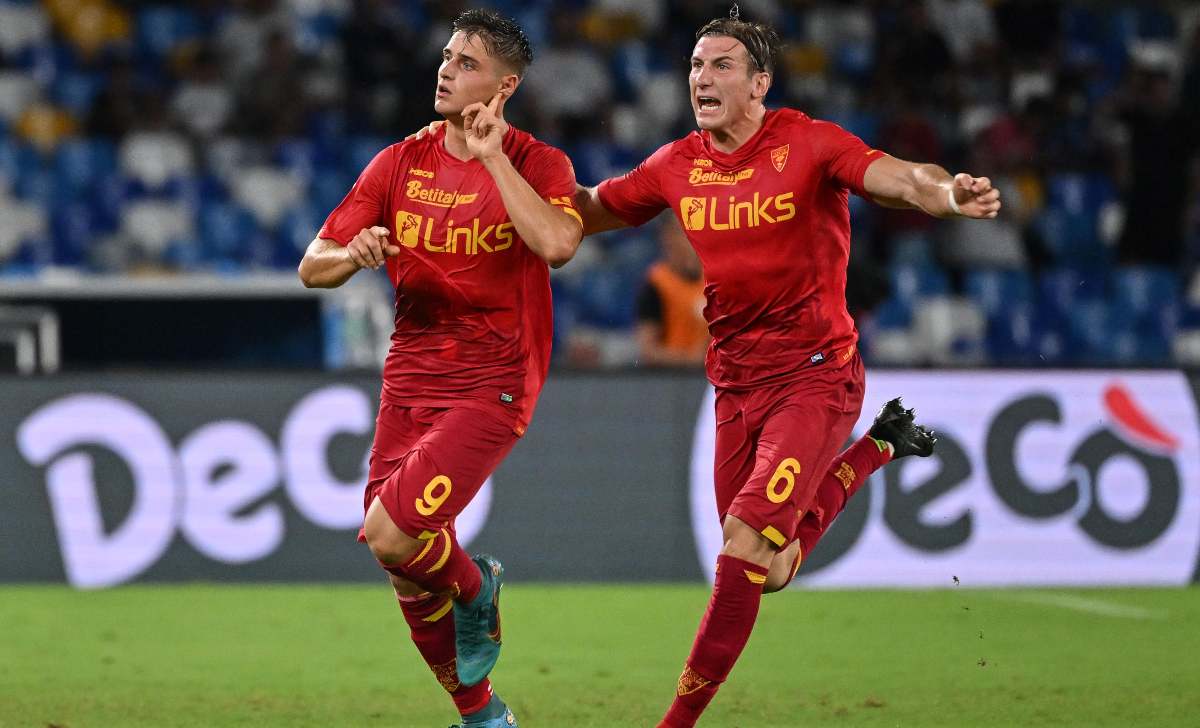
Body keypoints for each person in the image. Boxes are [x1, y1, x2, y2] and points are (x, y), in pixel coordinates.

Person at [573, 11, 999, 727]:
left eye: (721, 65)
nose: (701, 78)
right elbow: (589, 210)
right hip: (735, 384)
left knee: (743, 548)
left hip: (815, 375)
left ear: (760, 83)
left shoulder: (808, 143)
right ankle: (877, 448)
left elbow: (900, 178)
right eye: (695, 65)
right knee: (766, 569)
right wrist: (509, 194)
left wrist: (948, 193)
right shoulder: (676, 163)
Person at [297, 10, 583, 728]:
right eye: (447, 57)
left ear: (505, 87)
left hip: (494, 382)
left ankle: (478, 588)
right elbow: (311, 266)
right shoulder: (399, 163)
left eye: (467, 63)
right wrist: (352, 254)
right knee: (403, 567)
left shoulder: (539, 163)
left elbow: (556, 244)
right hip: (410, 376)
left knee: (392, 534)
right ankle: (483, 716)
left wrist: (493, 159)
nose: (446, 70)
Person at [636, 214, 710, 366]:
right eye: (681, 232)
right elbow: (648, 351)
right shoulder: (656, 284)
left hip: (712, 375)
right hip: (672, 375)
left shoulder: (712, 279)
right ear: (667, 237)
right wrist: (691, 359)